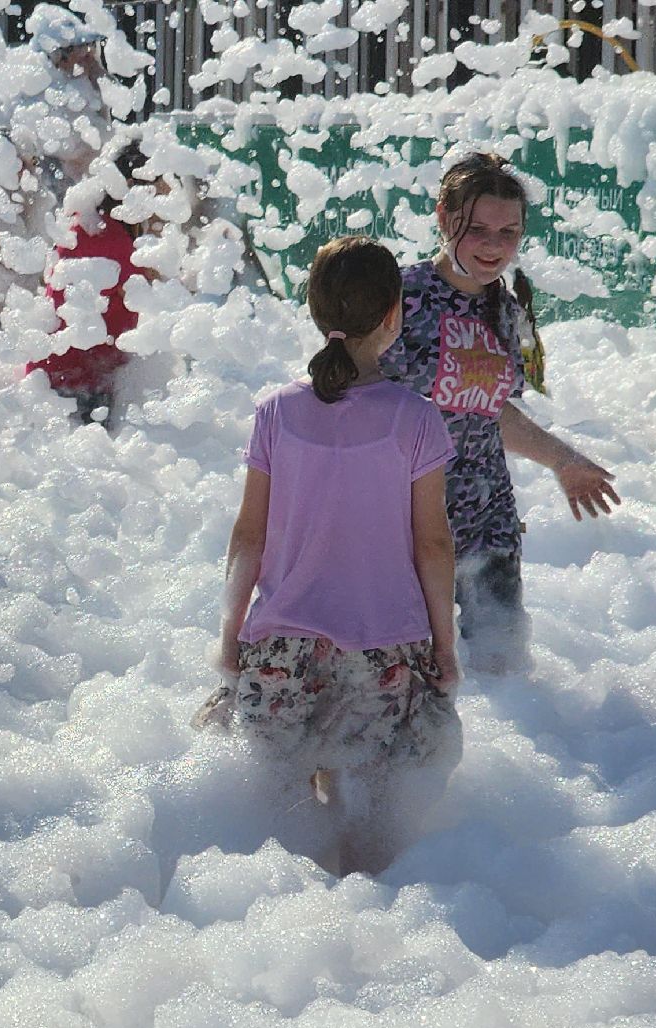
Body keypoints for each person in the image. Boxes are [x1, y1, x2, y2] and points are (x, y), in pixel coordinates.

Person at [215, 236, 462, 877]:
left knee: (282, 823)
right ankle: (365, 914)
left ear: (314, 310)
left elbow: (248, 536)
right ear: (394, 315)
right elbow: (433, 544)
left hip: (281, 648)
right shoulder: (416, 419)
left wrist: (229, 637)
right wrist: (445, 646)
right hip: (383, 649)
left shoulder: (275, 412)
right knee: (371, 820)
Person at [380, 152, 620, 676]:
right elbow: (353, 398)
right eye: (478, 229)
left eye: (509, 233)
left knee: (502, 673)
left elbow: (490, 411)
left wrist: (563, 461)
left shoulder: (507, 311)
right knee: (404, 677)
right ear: (444, 218)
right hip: (405, 521)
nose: (494, 246)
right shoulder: (399, 297)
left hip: (486, 516)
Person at [32, 138, 151, 429]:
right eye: (157, 185)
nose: (165, 194)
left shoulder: (86, 221)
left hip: (59, 374)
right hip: (78, 382)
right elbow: (152, 295)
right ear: (132, 187)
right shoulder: (111, 239)